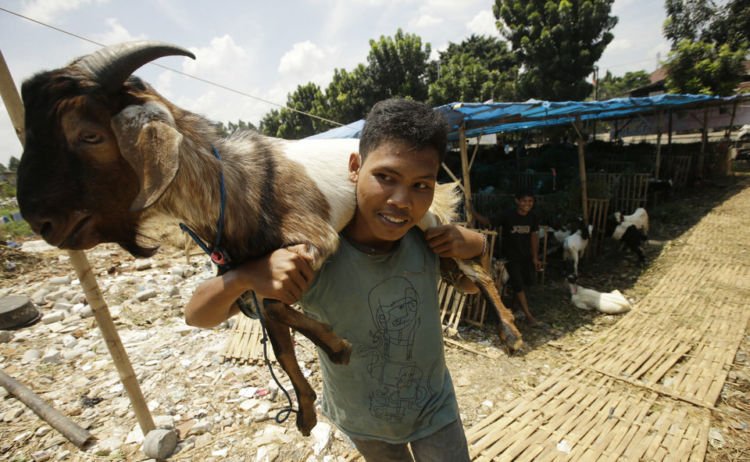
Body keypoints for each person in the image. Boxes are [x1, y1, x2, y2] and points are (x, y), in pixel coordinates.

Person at [184, 98, 487, 461]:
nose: (402, 201)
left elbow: (470, 286)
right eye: (385, 177)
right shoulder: (313, 257)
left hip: (435, 410)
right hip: (363, 422)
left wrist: (476, 245)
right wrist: (245, 275)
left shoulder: (425, 240)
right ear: (355, 168)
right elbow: (198, 315)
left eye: (421, 185)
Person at [494, 190, 543, 326]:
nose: (527, 204)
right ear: (517, 201)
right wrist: (473, 212)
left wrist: (535, 257)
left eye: (530, 201)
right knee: (518, 284)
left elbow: (534, 237)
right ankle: (529, 316)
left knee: (524, 283)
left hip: (526, 255)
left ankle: (515, 308)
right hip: (510, 256)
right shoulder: (507, 215)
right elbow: (489, 221)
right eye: (524, 201)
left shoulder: (533, 217)